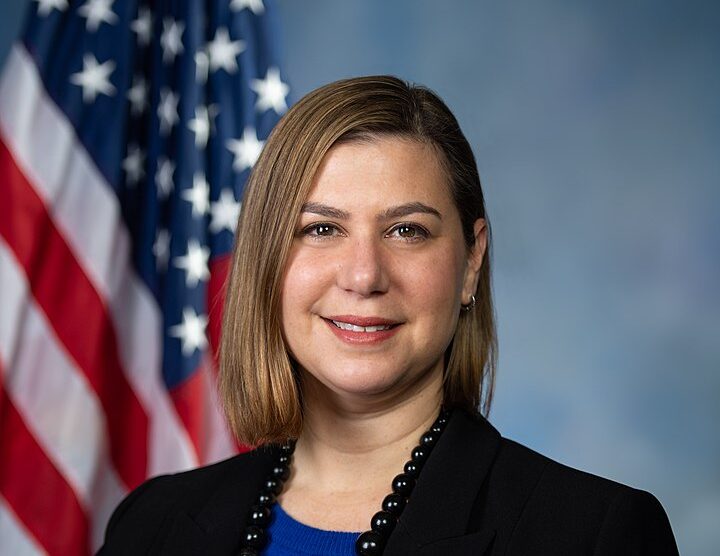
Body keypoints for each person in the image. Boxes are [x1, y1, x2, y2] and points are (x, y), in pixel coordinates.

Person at [98, 76, 679, 555]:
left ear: (471, 260)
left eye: (407, 231)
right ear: (267, 258)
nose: (363, 275)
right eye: (321, 229)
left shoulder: (595, 535)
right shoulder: (152, 526)